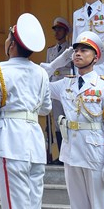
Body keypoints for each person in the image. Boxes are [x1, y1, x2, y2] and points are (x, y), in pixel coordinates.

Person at [41, 31, 104, 209]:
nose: (78, 53)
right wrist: (54, 65)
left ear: (95, 57)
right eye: (76, 50)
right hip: (71, 152)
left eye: (84, 50)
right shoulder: (65, 84)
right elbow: (38, 82)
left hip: (95, 152)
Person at [0, 13, 52, 209]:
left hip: (11, 143)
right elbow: (45, 109)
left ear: (12, 45)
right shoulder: (41, 73)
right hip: (35, 145)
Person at [45, 16, 72, 164]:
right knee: (57, 122)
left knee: (67, 120)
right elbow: (48, 71)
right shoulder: (51, 50)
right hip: (54, 86)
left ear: (66, 32)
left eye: (60, 30)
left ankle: (68, 155)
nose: (57, 33)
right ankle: (61, 156)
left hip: (67, 86)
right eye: (55, 30)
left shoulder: (71, 49)